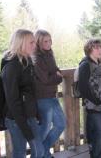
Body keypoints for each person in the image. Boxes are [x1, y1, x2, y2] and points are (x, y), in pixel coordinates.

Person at [1, 29, 44, 158]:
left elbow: (30, 91)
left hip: (29, 115)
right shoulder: (11, 67)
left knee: (39, 151)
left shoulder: (27, 62)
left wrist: (36, 113)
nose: (35, 45)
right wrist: (25, 127)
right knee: (20, 153)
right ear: (21, 44)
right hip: (16, 118)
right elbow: (12, 101)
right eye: (31, 42)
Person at [33, 30, 66, 158]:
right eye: (45, 41)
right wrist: (58, 77)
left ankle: (43, 152)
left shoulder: (49, 54)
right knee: (44, 129)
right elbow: (45, 79)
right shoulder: (36, 57)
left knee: (61, 124)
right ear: (38, 42)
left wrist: (56, 75)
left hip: (52, 96)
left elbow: (56, 70)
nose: (48, 43)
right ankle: (39, 154)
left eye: (50, 40)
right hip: (42, 97)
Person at [78, 38, 101, 158]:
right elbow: (83, 87)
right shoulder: (85, 64)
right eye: (96, 48)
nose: (99, 50)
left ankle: (96, 154)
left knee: (97, 133)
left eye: (100, 47)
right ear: (89, 49)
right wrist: (96, 101)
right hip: (94, 105)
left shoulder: (99, 62)